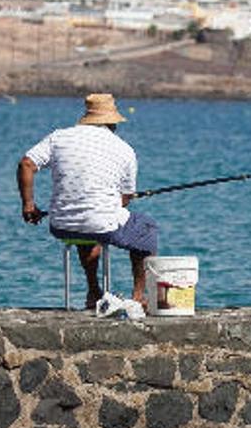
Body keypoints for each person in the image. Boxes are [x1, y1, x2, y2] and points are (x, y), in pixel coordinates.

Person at [16, 93, 159, 309]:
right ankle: (138, 296)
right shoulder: (125, 150)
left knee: (88, 227)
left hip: (61, 225)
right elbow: (124, 199)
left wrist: (28, 204)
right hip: (99, 225)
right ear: (112, 122)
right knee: (147, 229)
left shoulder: (59, 137)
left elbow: (26, 164)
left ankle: (93, 291)